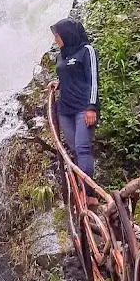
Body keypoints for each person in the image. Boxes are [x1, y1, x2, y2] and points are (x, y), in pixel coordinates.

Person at [48, 18, 99, 180]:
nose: (55, 39)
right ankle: (82, 194)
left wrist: (92, 107)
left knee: (82, 148)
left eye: (57, 35)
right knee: (74, 150)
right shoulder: (62, 56)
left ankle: (89, 195)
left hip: (82, 108)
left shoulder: (86, 50)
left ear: (67, 34)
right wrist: (59, 84)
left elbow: (93, 79)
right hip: (65, 111)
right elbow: (70, 76)